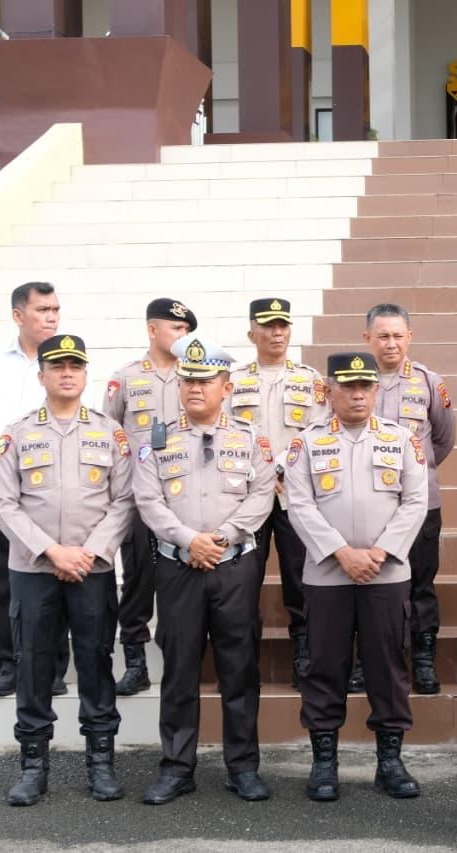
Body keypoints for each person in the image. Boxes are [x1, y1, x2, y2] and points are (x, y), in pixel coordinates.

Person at [133, 334, 275, 805]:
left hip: (233, 567)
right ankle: (176, 768)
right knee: (179, 670)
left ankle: (243, 767)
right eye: (188, 380)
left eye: (206, 380)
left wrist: (222, 538)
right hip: (178, 569)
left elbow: (262, 496)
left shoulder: (251, 438)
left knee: (240, 668)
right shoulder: (157, 440)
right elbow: (148, 501)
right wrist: (188, 540)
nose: (195, 388)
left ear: (226, 387)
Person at [286, 351, 428, 802]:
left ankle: (390, 763)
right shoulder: (306, 443)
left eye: (365, 386)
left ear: (376, 389)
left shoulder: (401, 439)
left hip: (386, 574)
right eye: (348, 386)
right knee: (325, 666)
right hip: (327, 574)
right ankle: (324, 763)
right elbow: (298, 504)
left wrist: (380, 552)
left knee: (388, 667)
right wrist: (341, 553)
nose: (358, 394)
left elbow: (415, 501)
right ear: (330, 391)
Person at [0, 334, 134, 806]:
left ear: (85, 373)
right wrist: (52, 551)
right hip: (34, 569)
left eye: (75, 366)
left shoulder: (109, 433)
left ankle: (101, 763)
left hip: (92, 570)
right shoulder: (16, 434)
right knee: (33, 664)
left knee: (96, 661)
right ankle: (33, 767)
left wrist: (90, 552)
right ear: (41, 376)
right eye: (57, 366)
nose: (67, 373)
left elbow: (125, 500)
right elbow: (5, 504)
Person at [228, 298, 328, 688]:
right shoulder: (234, 380)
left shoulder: (309, 380)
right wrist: (260, 472)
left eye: (282, 326)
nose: (276, 333)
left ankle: (305, 656)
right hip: (245, 495)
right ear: (251, 333)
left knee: (301, 578)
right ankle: (242, 663)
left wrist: (282, 467)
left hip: (292, 492)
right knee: (242, 582)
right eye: (268, 326)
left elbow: (318, 432)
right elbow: (227, 433)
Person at [103, 297, 196, 696]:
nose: (182, 335)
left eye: (186, 329)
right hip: (140, 496)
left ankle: (179, 657)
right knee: (138, 578)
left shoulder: (195, 374)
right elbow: (109, 434)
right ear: (152, 329)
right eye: (176, 328)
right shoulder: (125, 378)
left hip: (184, 496)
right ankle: (136, 662)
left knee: (181, 580)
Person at [363, 303, 455, 695]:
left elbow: (443, 440)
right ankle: (367, 660)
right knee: (369, 584)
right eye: (383, 336)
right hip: (368, 502)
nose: (391, 343)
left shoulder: (429, 383)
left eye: (398, 335)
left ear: (410, 337)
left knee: (420, 584)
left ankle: (423, 659)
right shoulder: (354, 381)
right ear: (367, 338)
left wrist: (416, 476)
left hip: (420, 504)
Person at [0, 282, 68, 698]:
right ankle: (8, 663)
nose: (51, 317)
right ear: (18, 315)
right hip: (5, 486)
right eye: (43, 309)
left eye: (55, 310)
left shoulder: (68, 363)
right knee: (4, 581)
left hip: (51, 489)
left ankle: (53, 668)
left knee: (52, 579)